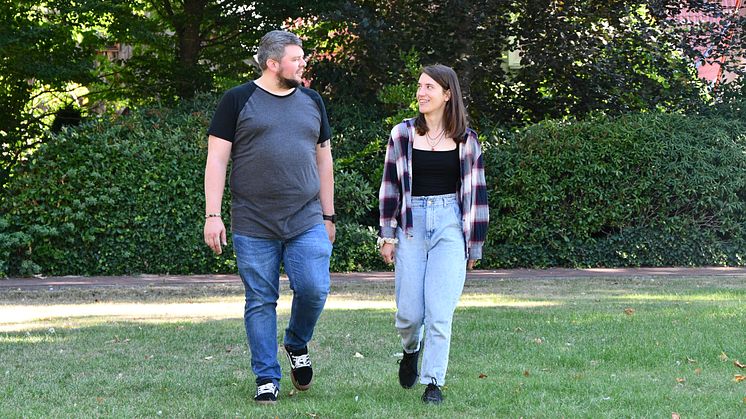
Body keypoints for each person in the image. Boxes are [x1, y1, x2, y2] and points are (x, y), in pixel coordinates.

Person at [203, 30, 335, 405]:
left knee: (314, 288)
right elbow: (217, 160)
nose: (303, 63)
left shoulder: (312, 100)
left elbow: (323, 159)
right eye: (296, 58)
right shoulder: (237, 100)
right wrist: (213, 214)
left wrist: (329, 214)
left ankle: (295, 341)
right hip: (253, 220)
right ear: (272, 63)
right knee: (260, 299)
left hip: (306, 216)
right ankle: (266, 377)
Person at [378, 64, 489, 404]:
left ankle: (433, 383)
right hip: (411, 224)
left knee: (440, 312)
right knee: (410, 314)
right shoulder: (402, 134)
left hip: (450, 226)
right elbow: (390, 186)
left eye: (429, 87)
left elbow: (476, 195)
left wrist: (474, 246)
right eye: (419, 86)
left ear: (447, 94)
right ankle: (411, 348)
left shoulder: (467, 141)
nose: (421, 93)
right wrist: (388, 234)